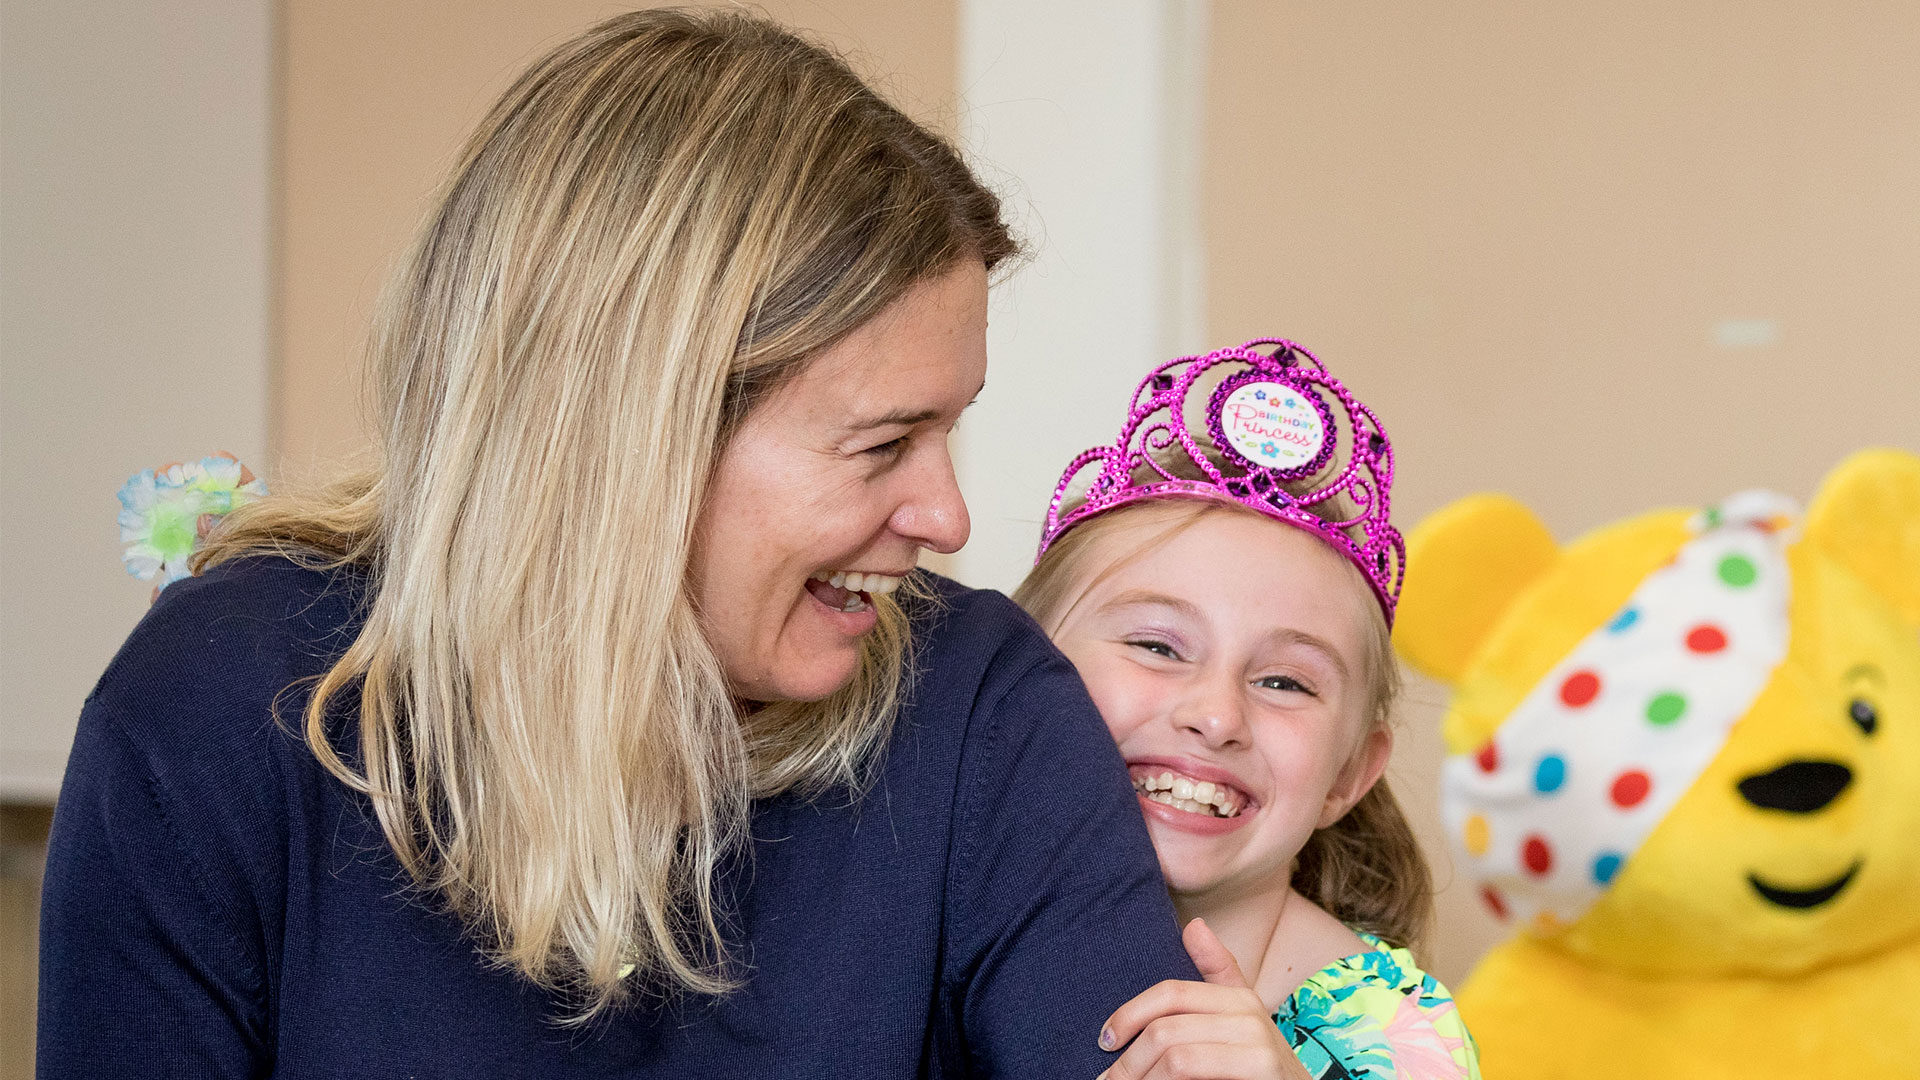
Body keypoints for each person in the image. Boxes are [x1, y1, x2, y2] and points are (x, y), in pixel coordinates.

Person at [37, 10, 1197, 1075]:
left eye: (948, 432)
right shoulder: (218, 714)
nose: (947, 520)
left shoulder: (979, 707)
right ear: (631, 436)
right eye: (883, 444)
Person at [1013, 339, 1482, 1079]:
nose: (1217, 715)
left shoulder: (1399, 1033)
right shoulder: (927, 926)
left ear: (1348, 776)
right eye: (1158, 647)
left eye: (1285, 682)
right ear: (1022, 678)